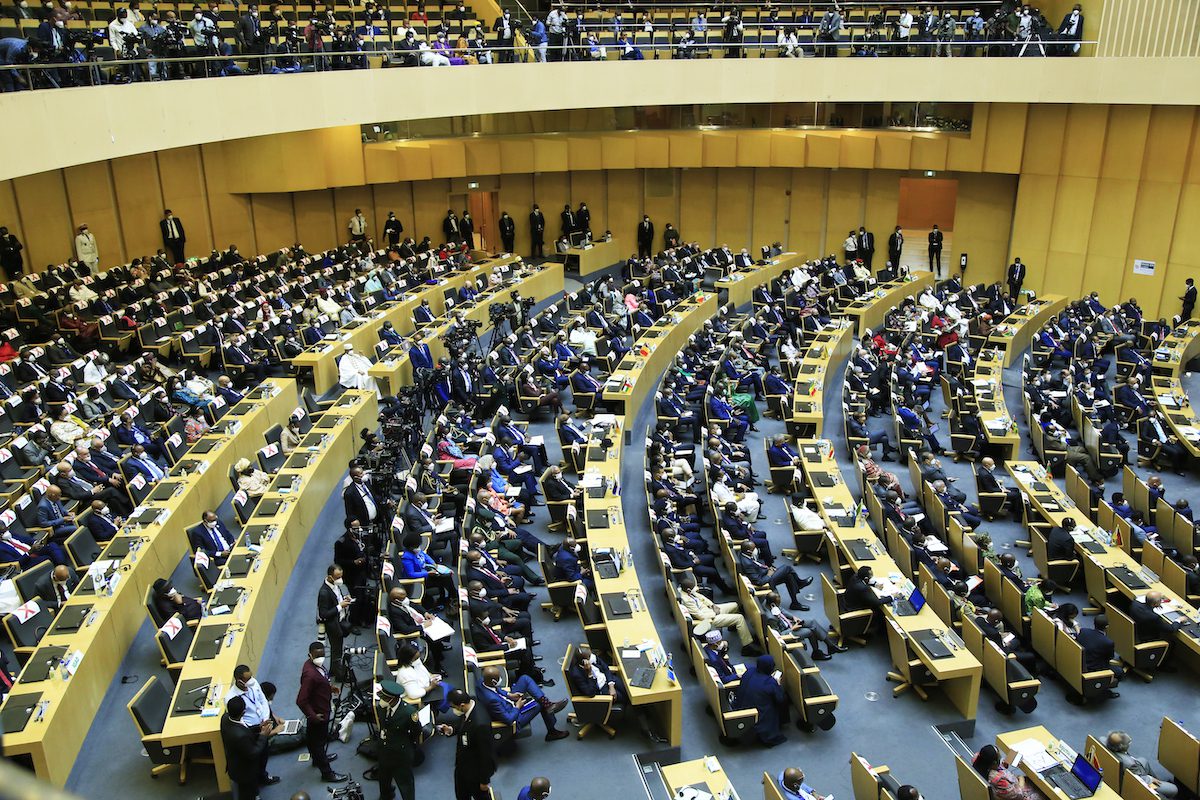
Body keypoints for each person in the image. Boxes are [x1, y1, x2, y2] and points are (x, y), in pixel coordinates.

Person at [295, 642, 348, 784]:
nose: (321, 657)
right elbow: (301, 700)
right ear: (310, 655)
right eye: (317, 655)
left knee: (312, 738)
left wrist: (329, 688)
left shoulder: (315, 666)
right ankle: (327, 772)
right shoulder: (310, 675)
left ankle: (317, 759)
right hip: (318, 713)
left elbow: (321, 681)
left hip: (320, 707)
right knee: (318, 742)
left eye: (322, 654)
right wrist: (312, 715)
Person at [475, 664, 568, 741]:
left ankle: (548, 705)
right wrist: (517, 707)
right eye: (499, 677)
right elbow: (508, 719)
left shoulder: (482, 681)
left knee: (525, 679)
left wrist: (509, 695)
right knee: (539, 704)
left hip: (507, 701)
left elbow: (496, 689)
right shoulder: (492, 700)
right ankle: (552, 732)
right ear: (494, 681)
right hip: (515, 717)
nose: (501, 679)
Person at [441, 689, 496, 800]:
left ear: (461, 705)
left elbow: (486, 755)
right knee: (461, 795)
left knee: (480, 796)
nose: (453, 710)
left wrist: (484, 781)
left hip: (475, 772)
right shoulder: (471, 703)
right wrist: (452, 730)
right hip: (462, 766)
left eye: (453, 707)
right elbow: (465, 722)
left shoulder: (481, 725)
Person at [375, 680, 421, 800]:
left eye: (384, 698)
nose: (381, 700)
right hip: (384, 749)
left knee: (405, 783)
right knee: (383, 778)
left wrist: (406, 743)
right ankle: (386, 795)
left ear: (392, 699)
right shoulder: (382, 707)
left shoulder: (409, 712)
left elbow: (416, 731)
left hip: (401, 753)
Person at [220, 695, 271, 800]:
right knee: (248, 794)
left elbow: (245, 729)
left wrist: (259, 727)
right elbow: (254, 752)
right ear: (243, 713)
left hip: (235, 763)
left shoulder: (225, 718)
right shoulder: (240, 736)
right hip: (245, 772)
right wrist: (263, 736)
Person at [734, 654, 789, 747]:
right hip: (759, 717)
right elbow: (780, 699)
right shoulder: (770, 682)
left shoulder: (749, 671)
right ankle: (780, 723)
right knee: (784, 699)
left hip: (741, 707)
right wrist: (778, 684)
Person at [1106, 730, 1178, 798]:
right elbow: (1138, 778)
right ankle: (1156, 793)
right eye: (1129, 742)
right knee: (1174, 789)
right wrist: (1150, 779)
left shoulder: (1106, 742)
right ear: (1122, 746)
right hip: (1136, 782)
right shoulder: (1130, 764)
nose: (1130, 742)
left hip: (1129, 770)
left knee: (1143, 761)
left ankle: (1158, 782)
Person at [316, 565, 353, 677]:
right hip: (332, 625)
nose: (340, 579)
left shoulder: (334, 586)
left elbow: (337, 598)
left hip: (339, 620)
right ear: (330, 577)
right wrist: (340, 606)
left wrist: (344, 599)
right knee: (336, 649)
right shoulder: (324, 593)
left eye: (341, 576)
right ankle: (338, 674)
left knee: (338, 648)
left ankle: (334, 670)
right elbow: (323, 614)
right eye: (337, 577)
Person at [973, 744, 1044, 800]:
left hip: (1005, 789)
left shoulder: (978, 760)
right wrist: (1021, 779)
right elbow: (1019, 795)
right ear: (994, 763)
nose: (1000, 759)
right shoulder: (1000, 781)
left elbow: (995, 767)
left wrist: (1004, 764)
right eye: (999, 758)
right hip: (1015, 793)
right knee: (1043, 791)